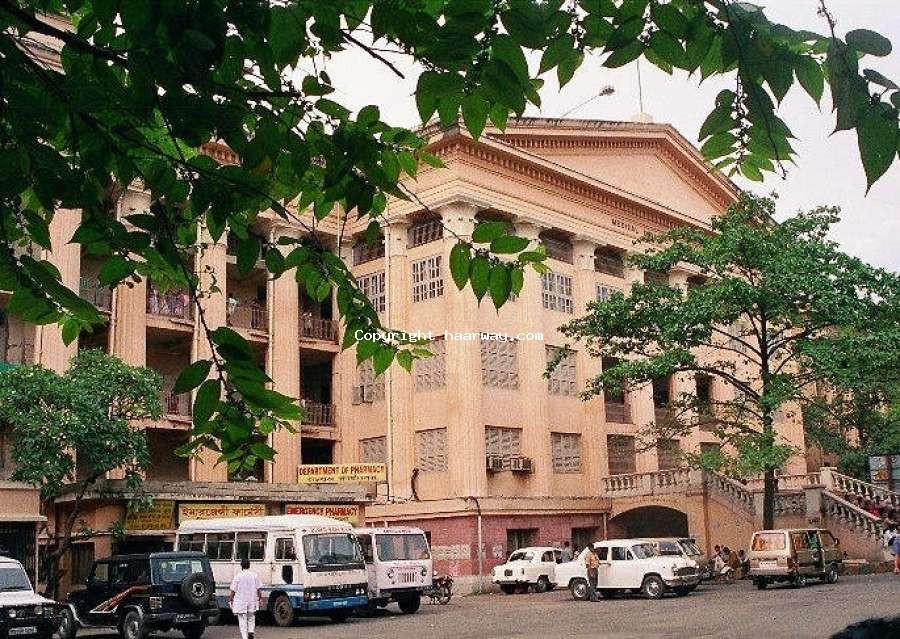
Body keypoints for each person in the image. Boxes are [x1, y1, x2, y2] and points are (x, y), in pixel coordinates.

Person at [230, 558, 262, 639]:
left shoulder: (238, 576)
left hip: (241, 601)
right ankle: (251, 631)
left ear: (241, 566)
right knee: (251, 617)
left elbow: (233, 590)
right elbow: (258, 589)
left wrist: (231, 599)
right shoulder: (254, 575)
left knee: (242, 619)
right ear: (249, 565)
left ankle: (244, 637)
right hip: (252, 600)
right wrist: (259, 598)